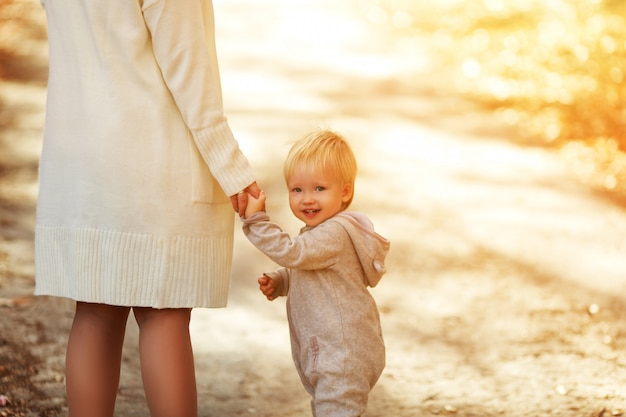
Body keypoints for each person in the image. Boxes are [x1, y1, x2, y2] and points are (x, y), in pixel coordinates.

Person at [34, 0, 260, 416]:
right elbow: (188, 67)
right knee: (164, 313)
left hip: (81, 164)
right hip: (154, 162)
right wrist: (231, 166)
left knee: (96, 311)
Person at [241, 130, 390, 417]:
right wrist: (283, 280)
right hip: (333, 351)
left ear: (344, 192)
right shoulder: (321, 233)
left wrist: (256, 221)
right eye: (297, 190)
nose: (307, 199)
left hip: (342, 354)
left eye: (319, 189)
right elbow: (313, 269)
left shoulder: (335, 233)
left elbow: (294, 252)